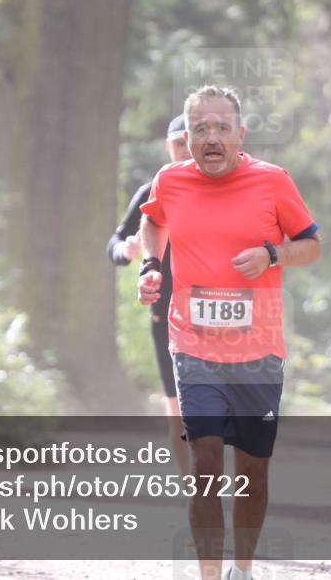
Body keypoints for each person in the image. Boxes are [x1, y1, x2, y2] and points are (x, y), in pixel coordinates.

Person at [136, 86, 321, 580]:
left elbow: (312, 245)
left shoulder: (272, 182)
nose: (211, 139)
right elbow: (151, 222)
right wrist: (152, 266)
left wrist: (272, 255)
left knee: (253, 473)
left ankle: (243, 567)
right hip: (192, 346)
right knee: (204, 464)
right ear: (187, 135)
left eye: (222, 128)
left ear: (241, 134)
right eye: (200, 129)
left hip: (258, 352)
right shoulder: (170, 181)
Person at [107, 114, 192, 476]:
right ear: (168, 146)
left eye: (193, 141)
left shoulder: (225, 193)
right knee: (177, 405)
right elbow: (114, 241)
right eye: (179, 143)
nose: (186, 151)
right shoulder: (153, 191)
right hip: (166, 309)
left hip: (216, 308)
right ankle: (195, 491)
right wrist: (126, 251)